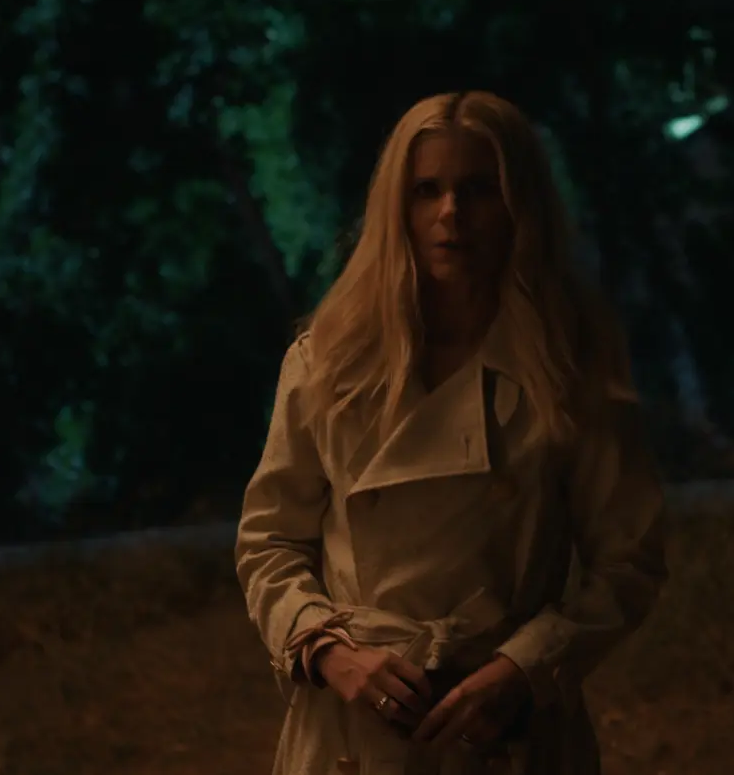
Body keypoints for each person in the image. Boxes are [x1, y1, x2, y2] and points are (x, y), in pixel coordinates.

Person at [235, 90, 669, 775]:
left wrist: (523, 668)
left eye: (479, 189)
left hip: (504, 732)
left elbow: (629, 558)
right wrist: (330, 653)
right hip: (355, 730)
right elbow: (269, 541)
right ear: (395, 208)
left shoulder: (568, 367)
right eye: (426, 191)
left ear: (520, 204)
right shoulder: (328, 363)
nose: (451, 214)